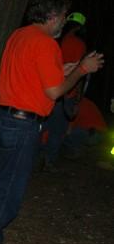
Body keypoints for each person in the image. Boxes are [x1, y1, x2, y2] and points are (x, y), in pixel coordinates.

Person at [0, 0, 104, 244]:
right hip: (20, 125)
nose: (64, 23)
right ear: (53, 17)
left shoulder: (19, 35)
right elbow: (54, 91)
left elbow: (35, 73)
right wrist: (81, 69)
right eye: (63, 17)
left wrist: (65, 67)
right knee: (8, 189)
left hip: (1, 117)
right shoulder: (45, 43)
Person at [40, 11, 88, 170]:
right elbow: (78, 71)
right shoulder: (78, 44)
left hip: (47, 89)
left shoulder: (55, 40)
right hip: (65, 91)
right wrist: (76, 97)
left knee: (44, 124)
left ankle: (36, 154)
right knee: (58, 128)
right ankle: (49, 160)